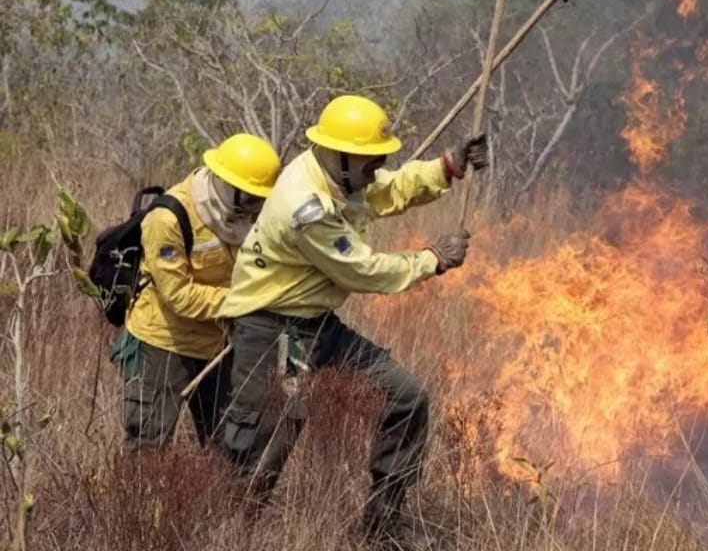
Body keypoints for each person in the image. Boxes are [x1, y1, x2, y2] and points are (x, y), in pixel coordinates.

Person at [214, 94, 484, 545]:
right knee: (266, 446)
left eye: (377, 162)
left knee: (406, 397)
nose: (374, 171)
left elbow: (383, 191)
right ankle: (228, 536)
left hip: (318, 325)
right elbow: (360, 268)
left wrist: (446, 168)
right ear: (339, 156)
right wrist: (431, 260)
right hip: (274, 331)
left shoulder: (335, 173)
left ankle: (383, 527)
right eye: (368, 163)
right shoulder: (306, 205)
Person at [111, 132, 283, 452]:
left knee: (230, 446)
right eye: (248, 198)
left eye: (261, 199)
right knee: (148, 447)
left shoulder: (248, 217)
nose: (255, 208)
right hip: (162, 345)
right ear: (224, 183)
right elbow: (179, 296)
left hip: (219, 344)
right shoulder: (168, 218)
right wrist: (245, 302)